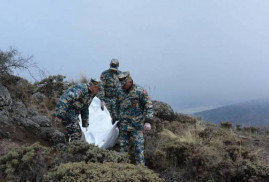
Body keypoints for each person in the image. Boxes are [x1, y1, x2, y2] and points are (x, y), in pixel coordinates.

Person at [115, 71, 154, 165]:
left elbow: (149, 106)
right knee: (122, 151)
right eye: (121, 84)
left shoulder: (140, 91)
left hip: (137, 126)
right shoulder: (119, 91)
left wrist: (148, 121)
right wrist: (115, 118)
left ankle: (141, 172)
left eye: (124, 84)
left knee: (139, 150)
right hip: (123, 126)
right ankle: (123, 170)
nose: (122, 86)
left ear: (130, 81)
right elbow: (116, 105)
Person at [99, 59, 122, 123]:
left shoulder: (121, 75)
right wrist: (102, 100)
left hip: (117, 100)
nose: (113, 70)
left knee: (117, 118)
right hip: (107, 100)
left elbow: (124, 87)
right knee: (106, 118)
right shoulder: (104, 74)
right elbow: (101, 87)